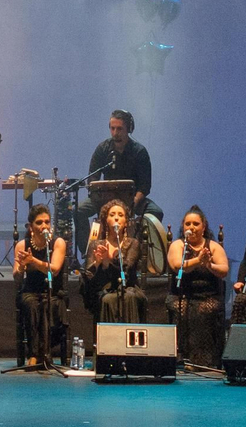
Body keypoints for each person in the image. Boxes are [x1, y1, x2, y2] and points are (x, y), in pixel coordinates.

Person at [73, 110, 165, 250]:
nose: (115, 132)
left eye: (119, 129)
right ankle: (88, 252)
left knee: (156, 212)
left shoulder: (139, 152)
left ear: (129, 129)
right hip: (105, 199)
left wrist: (133, 203)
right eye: (112, 128)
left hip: (133, 199)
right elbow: (92, 179)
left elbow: (145, 186)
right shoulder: (102, 149)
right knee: (79, 211)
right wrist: (99, 200)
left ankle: (139, 250)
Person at [167, 205, 228, 367]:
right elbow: (176, 265)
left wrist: (209, 265)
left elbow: (224, 270)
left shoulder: (213, 246)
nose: (191, 228)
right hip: (182, 295)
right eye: (188, 224)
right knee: (183, 309)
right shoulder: (178, 245)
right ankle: (181, 357)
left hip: (208, 295)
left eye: (195, 224)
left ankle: (203, 360)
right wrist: (198, 260)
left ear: (204, 227)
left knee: (203, 310)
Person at [14, 204, 67, 366]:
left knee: (48, 304)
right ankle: (35, 354)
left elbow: (55, 270)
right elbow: (17, 278)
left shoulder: (58, 243)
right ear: (31, 226)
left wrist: (33, 261)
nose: (44, 226)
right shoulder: (22, 245)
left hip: (53, 291)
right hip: (30, 290)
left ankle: (45, 352)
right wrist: (22, 266)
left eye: (47, 222)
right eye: (39, 222)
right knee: (31, 304)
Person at [80, 198, 146, 322]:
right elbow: (88, 276)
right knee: (107, 299)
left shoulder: (133, 243)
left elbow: (126, 270)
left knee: (128, 298)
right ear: (106, 220)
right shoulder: (95, 245)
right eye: (112, 215)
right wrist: (98, 262)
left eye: (120, 215)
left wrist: (108, 260)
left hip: (128, 288)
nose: (116, 218)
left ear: (126, 222)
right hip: (104, 288)